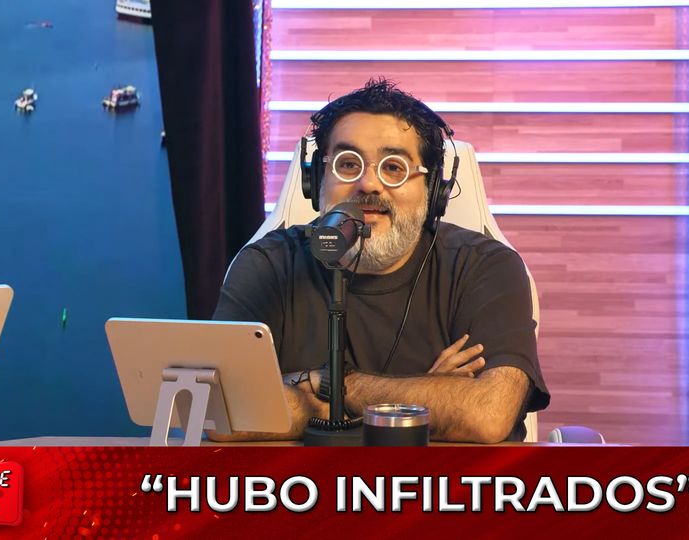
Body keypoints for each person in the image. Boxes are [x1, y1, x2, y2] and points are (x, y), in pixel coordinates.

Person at [213, 78, 549, 443]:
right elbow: (220, 414)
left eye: (393, 167)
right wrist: (422, 401)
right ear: (316, 181)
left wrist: (328, 385)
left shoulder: (486, 268)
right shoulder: (268, 265)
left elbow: (486, 415)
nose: (369, 184)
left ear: (433, 190)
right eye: (347, 164)